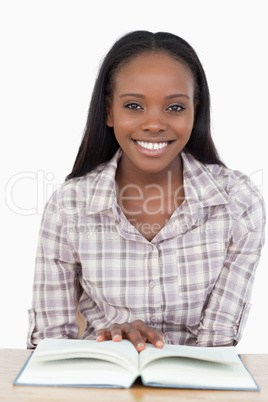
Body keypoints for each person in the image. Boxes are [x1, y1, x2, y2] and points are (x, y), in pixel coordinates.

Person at [27, 30, 265, 351]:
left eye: (175, 108)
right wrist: (112, 346)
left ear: (195, 111)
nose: (154, 123)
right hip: (97, 386)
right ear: (109, 112)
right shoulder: (69, 206)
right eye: (135, 106)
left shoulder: (238, 202)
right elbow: (49, 346)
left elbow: (216, 345)